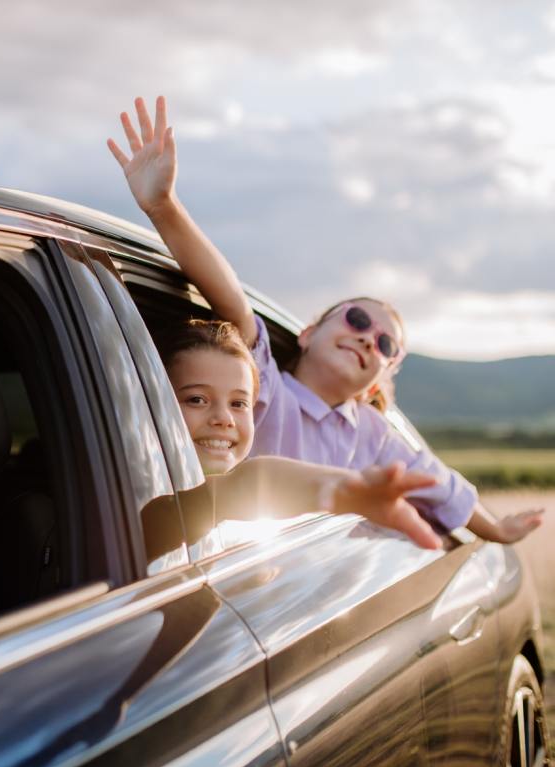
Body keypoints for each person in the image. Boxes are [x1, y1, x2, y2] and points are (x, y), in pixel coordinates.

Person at [109, 95, 542, 543]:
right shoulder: (264, 389)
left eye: (386, 345)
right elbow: (234, 300)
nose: (368, 339)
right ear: (309, 333)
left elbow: (439, 484)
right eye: (356, 319)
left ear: (381, 376)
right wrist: (163, 207)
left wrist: (497, 530)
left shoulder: (373, 434)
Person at [157, 318, 442, 550]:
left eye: (239, 404)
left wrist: (340, 488)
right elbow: (244, 484)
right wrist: (333, 486)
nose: (223, 418)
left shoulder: (375, 430)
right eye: (196, 399)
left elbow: (244, 485)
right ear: (154, 403)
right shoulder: (145, 501)